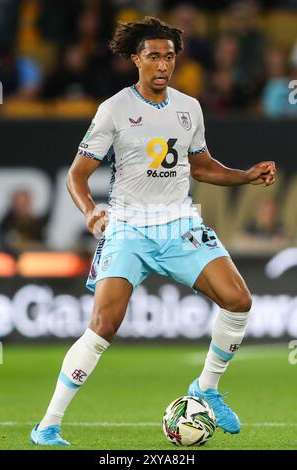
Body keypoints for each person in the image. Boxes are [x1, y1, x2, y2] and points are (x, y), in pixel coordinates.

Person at [30, 16, 276, 446]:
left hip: (180, 223)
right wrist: (90, 212)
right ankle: (47, 425)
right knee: (104, 325)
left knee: (238, 300)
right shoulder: (114, 110)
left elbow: (200, 166)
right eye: (153, 56)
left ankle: (206, 389)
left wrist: (245, 176)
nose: (163, 65)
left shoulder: (189, 108)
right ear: (134, 59)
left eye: (170, 56)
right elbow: (76, 174)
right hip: (128, 227)